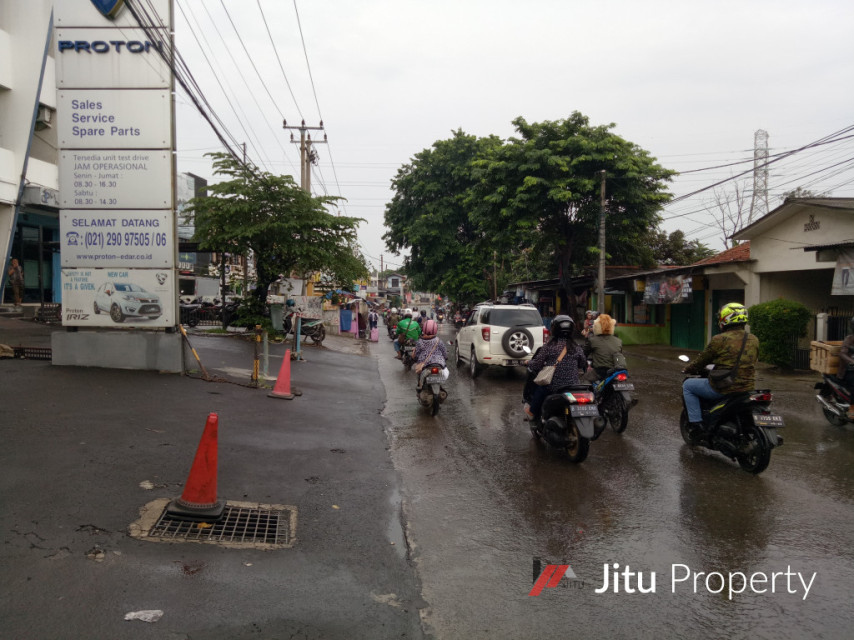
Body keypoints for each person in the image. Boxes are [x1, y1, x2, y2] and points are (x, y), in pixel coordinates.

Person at [681, 303, 759, 432]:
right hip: (747, 388)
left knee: (688, 385)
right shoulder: (753, 339)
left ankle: (696, 424)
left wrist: (689, 369)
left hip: (724, 387)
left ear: (726, 319)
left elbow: (703, 360)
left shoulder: (719, 339)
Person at [523, 315, 587, 421]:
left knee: (539, 389)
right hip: (573, 386)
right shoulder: (576, 347)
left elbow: (537, 364)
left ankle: (532, 413)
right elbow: (583, 363)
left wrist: (527, 362)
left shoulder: (549, 346)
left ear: (554, 329)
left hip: (554, 387)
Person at [583, 313, 623, 381]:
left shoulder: (592, 340)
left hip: (599, 372)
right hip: (614, 371)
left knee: (585, 380)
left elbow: (584, 354)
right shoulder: (618, 341)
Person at [414, 319, 448, 390]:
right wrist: (445, 358)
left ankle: (420, 385)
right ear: (435, 329)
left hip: (425, 365)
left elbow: (417, 354)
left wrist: (416, 359)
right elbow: (444, 352)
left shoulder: (420, 342)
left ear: (424, 329)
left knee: (419, 374)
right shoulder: (439, 340)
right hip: (439, 364)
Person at [836, 317, 854, 421]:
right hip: (848, 370)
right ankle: (852, 409)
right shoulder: (849, 339)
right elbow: (842, 353)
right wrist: (852, 361)